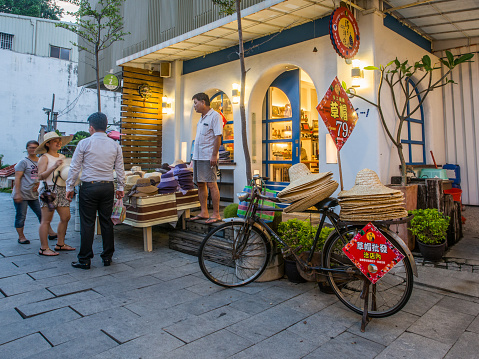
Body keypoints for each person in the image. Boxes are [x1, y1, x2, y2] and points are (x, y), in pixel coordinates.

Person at [66, 112, 125, 270]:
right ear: (105, 127)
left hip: (89, 186)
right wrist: (120, 187)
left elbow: (74, 167)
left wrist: (69, 187)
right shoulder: (115, 145)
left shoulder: (84, 143)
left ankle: (85, 259)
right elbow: (120, 169)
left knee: (87, 223)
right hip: (107, 186)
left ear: (91, 127)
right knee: (106, 222)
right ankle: (107, 257)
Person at [36, 132, 75, 256]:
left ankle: (60, 243)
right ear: (47, 144)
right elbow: (40, 176)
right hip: (49, 190)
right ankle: (44, 248)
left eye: (59, 140)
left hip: (62, 189)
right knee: (46, 220)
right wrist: (53, 167)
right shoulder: (44, 157)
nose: (58, 143)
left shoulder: (63, 156)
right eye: (55, 141)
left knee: (66, 217)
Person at [13, 140, 56, 244]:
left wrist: (37, 184)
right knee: (21, 216)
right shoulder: (23, 162)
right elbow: (17, 178)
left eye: (35, 147)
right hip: (22, 193)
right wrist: (17, 193)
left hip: (35, 194)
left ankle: (50, 233)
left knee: (42, 214)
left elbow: (40, 176)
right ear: (27, 149)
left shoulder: (40, 160)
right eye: (30, 147)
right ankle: (21, 237)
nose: (33, 149)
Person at [190, 92, 223, 224]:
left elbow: (218, 137)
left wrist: (214, 155)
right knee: (200, 183)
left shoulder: (215, 116)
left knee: (211, 184)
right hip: (198, 156)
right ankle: (204, 212)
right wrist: (193, 158)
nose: (195, 106)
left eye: (196, 103)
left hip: (208, 156)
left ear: (203, 102)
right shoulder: (201, 118)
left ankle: (216, 214)